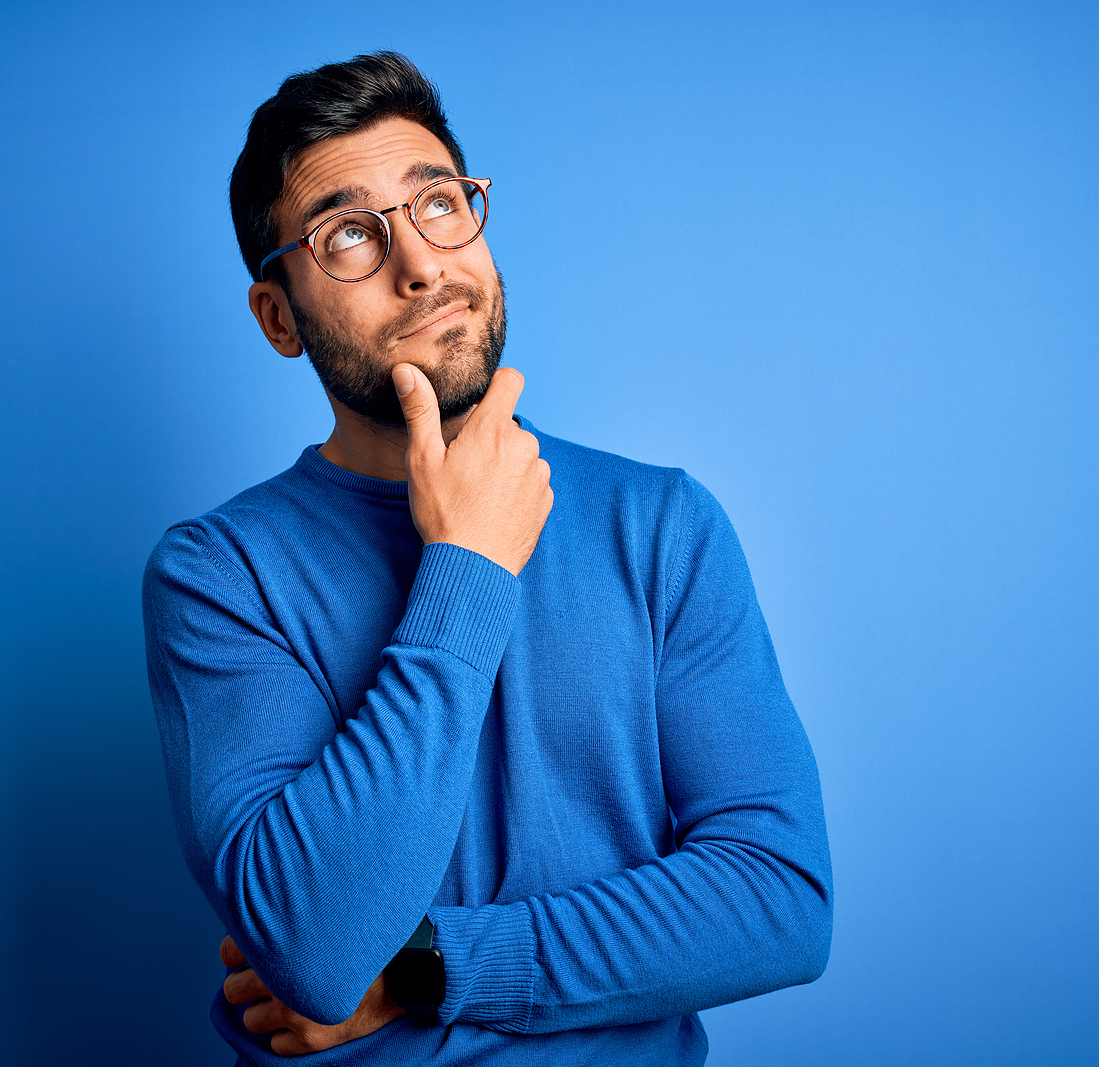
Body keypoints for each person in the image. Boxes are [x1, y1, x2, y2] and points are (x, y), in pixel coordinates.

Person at [143, 52, 832, 1065]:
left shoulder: (660, 524)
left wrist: (427, 964)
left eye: (438, 204)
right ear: (277, 316)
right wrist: (465, 561)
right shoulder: (219, 574)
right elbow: (318, 949)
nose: (418, 264)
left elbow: (778, 901)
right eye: (347, 236)